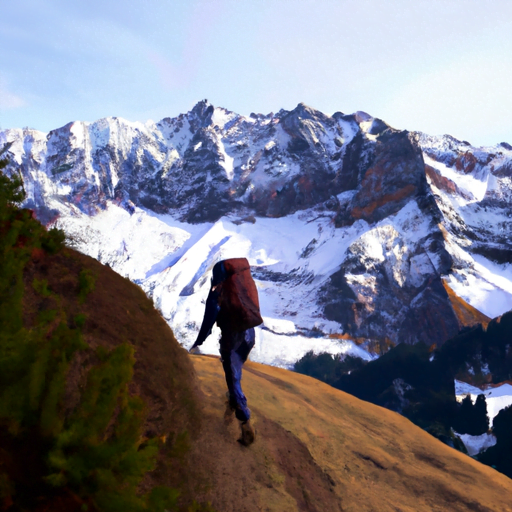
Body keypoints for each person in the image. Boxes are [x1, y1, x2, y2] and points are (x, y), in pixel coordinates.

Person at [189, 258, 262, 446]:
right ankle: (232, 400)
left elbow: (208, 320)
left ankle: (245, 423)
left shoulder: (218, 293)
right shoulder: (242, 287)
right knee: (236, 372)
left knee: (233, 377)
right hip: (249, 336)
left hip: (233, 340)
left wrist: (198, 342)